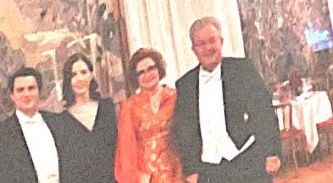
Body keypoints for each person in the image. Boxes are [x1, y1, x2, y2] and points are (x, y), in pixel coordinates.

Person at [173, 19, 277, 183]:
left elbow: (263, 111)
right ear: (193, 49)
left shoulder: (242, 69)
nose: (208, 48)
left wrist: (271, 152)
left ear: (221, 42)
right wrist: (191, 168)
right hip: (209, 170)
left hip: (247, 158)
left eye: (212, 41)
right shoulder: (185, 85)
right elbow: (186, 130)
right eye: (201, 44)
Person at [0, 66, 88, 183]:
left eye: (31, 88)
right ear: (12, 96)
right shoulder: (0, 134)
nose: (26, 94)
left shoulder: (60, 123)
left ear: (39, 92)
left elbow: (76, 164)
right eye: (20, 90)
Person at [116, 49, 186, 183]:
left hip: (178, 173)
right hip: (148, 177)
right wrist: (138, 177)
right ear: (136, 78)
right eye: (141, 72)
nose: (147, 75)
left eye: (151, 68)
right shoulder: (130, 106)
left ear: (159, 69)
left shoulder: (176, 97)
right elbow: (126, 148)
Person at [63, 54, 119, 183]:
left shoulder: (109, 108)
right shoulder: (62, 121)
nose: (80, 78)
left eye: (84, 72)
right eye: (73, 75)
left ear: (91, 75)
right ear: (68, 80)